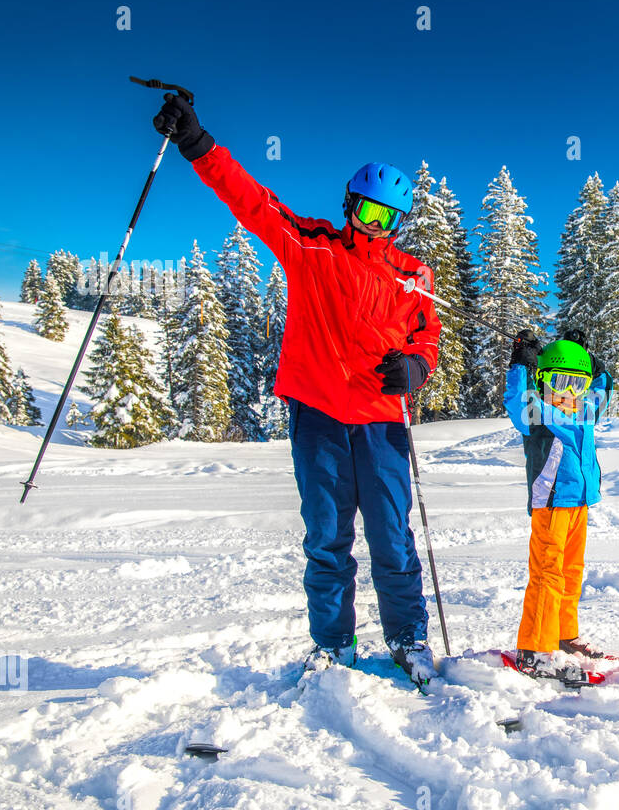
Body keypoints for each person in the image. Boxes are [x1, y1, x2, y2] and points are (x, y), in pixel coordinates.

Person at [152, 93, 441, 686]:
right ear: (348, 204)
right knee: (327, 540)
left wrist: (415, 366)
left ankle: (408, 639)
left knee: (392, 538)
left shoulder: (414, 276)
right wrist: (198, 145)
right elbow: (253, 203)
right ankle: (334, 646)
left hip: (383, 423)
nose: (371, 223)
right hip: (319, 419)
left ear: (398, 222)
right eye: (364, 209)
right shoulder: (311, 247)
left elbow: (427, 335)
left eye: (385, 217)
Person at [503, 329, 613, 681]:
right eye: (559, 381)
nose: (567, 392)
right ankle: (534, 648)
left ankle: (564, 635)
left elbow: (603, 393)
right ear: (541, 379)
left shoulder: (583, 410)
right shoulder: (537, 414)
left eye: (576, 383)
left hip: (579, 500)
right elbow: (516, 401)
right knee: (547, 574)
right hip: (550, 501)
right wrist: (522, 363)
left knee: (571, 571)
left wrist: (596, 367)